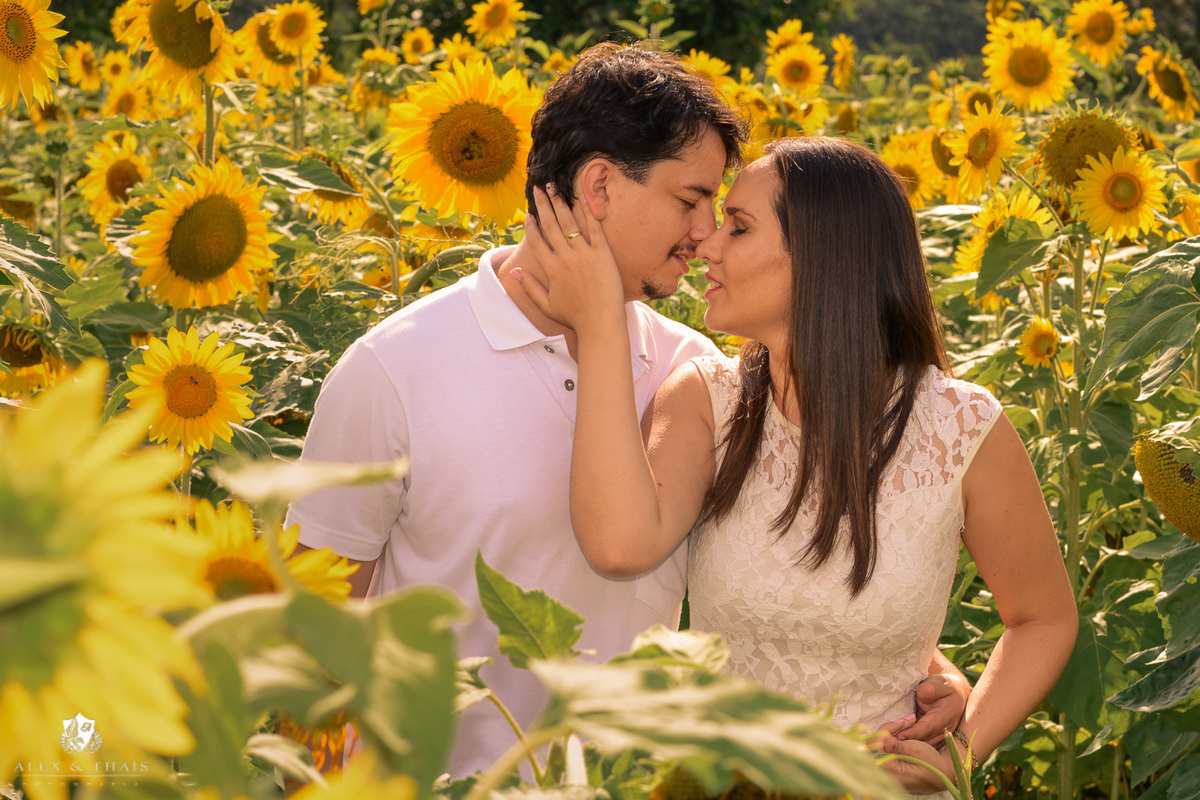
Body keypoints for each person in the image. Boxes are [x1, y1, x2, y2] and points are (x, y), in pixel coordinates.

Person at [288, 46, 968, 779]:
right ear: (602, 185)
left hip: (628, 784)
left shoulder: (695, 372)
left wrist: (929, 671)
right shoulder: (395, 369)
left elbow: (787, 567)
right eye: (690, 199)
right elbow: (312, 628)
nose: (707, 232)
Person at [517, 136, 1078, 794]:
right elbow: (619, 544)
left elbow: (1044, 618)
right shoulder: (706, 400)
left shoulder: (961, 427)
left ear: (822, 256)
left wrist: (961, 749)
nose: (707, 245)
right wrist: (602, 319)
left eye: (739, 226)